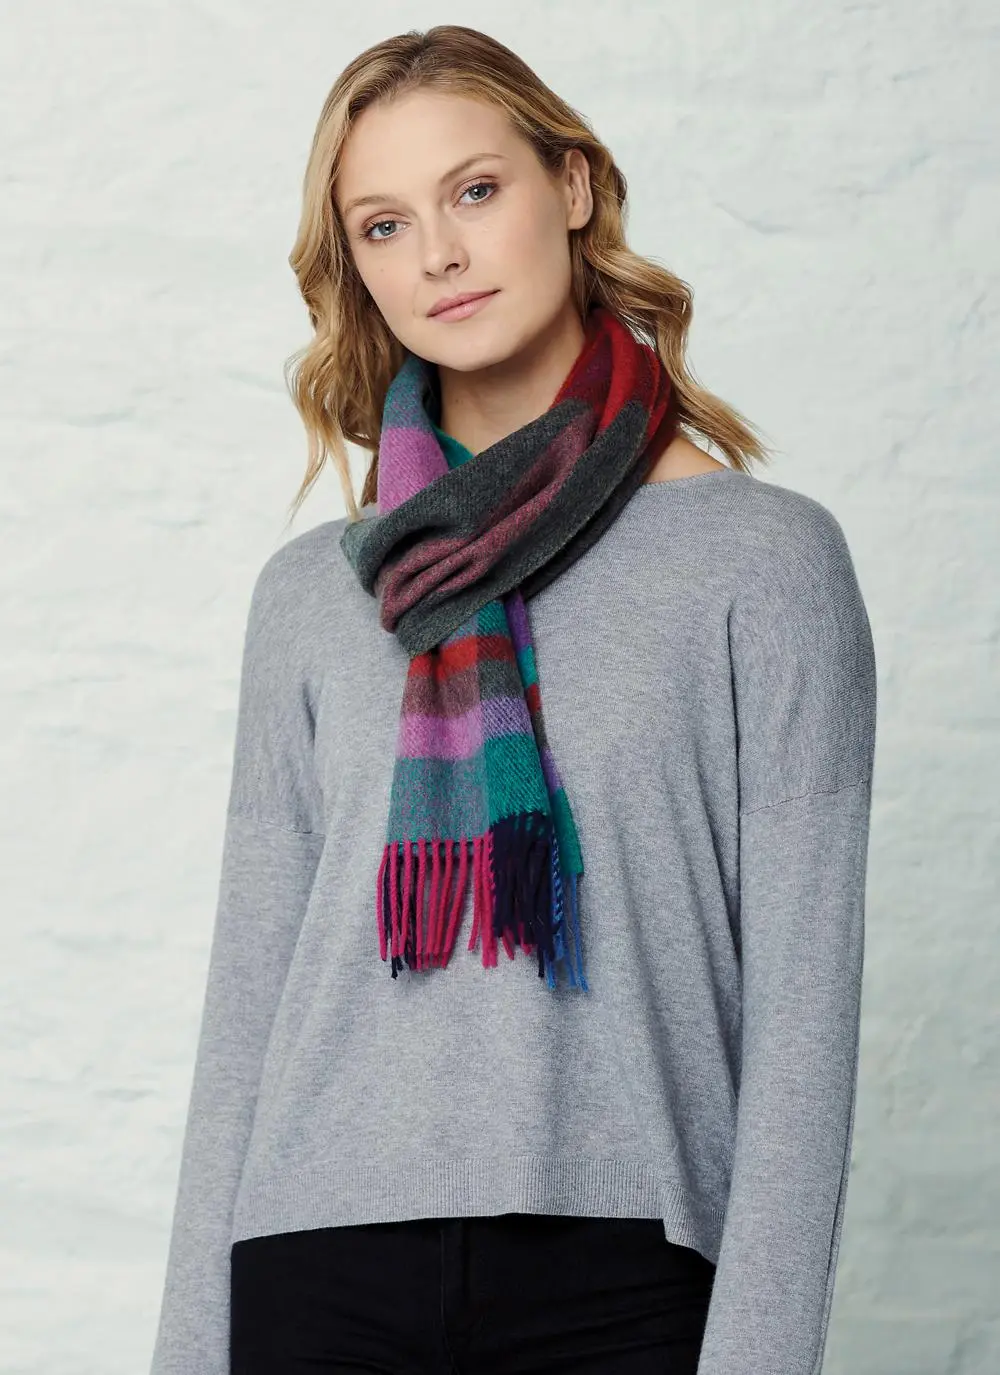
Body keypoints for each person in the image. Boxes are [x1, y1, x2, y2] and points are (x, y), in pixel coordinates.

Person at [149, 24, 877, 1375]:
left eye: (475, 191)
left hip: (626, 1279)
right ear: (357, 266)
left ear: (574, 185)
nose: (438, 254)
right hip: (313, 1275)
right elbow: (246, 1010)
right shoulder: (311, 597)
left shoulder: (765, 563)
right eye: (384, 224)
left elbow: (804, 1024)